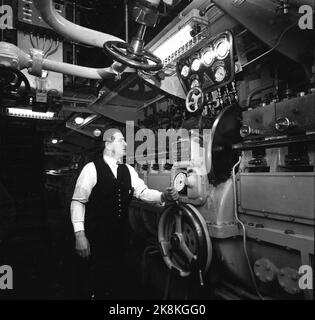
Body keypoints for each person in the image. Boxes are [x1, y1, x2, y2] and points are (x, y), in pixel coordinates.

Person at [70, 128, 178, 299]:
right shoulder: (91, 169)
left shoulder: (128, 169)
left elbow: (142, 192)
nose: (126, 144)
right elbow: (78, 201)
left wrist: (163, 196)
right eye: (121, 140)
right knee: (94, 280)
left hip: (120, 237)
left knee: (117, 280)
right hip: (96, 237)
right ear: (108, 144)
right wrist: (79, 235)